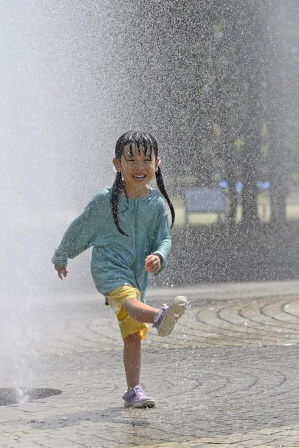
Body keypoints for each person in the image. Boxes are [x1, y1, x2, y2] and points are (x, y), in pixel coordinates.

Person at [51, 130, 188, 408]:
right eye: (131, 160)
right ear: (117, 165)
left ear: (157, 163)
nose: (139, 167)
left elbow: (164, 238)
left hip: (136, 273)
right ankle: (160, 317)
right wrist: (62, 254)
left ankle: (133, 390)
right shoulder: (105, 200)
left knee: (133, 334)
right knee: (129, 301)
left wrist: (159, 256)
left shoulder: (157, 204)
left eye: (146, 160)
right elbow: (81, 227)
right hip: (109, 269)